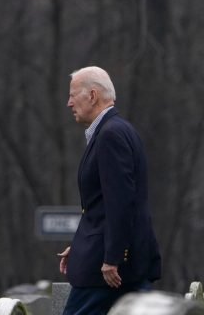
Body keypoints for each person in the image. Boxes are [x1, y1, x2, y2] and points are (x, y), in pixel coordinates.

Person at [58, 66, 161, 315]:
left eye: (73, 95)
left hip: (107, 271)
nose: (69, 103)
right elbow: (103, 206)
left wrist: (112, 257)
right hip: (120, 260)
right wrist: (83, 245)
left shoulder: (110, 135)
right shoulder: (119, 129)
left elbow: (121, 202)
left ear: (92, 96)